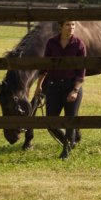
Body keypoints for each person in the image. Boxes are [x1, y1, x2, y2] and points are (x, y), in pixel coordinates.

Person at [38, 18, 86, 160]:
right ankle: (69, 140)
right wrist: (39, 85)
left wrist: (75, 90)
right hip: (53, 85)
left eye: (73, 25)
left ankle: (66, 149)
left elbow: (81, 71)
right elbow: (45, 66)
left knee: (70, 120)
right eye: (68, 25)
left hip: (71, 86)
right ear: (61, 26)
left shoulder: (79, 45)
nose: (71, 27)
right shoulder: (51, 43)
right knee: (50, 121)